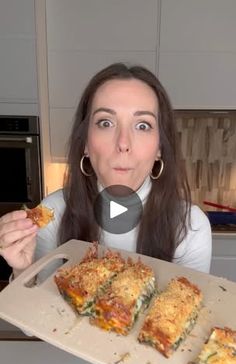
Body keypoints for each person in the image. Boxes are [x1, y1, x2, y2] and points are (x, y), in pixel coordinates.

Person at [0, 62, 212, 282]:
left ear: (160, 148)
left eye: (142, 126)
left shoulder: (190, 227)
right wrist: (23, 272)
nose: (123, 143)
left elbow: (188, 311)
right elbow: (37, 310)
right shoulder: (53, 214)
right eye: (105, 122)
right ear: (85, 143)